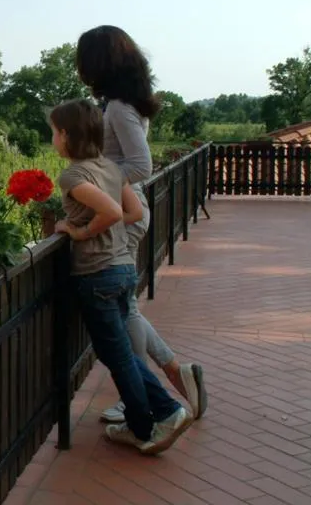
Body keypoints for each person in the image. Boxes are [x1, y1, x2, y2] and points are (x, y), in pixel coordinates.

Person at [75, 26, 207, 425]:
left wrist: (94, 177)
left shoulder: (116, 107)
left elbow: (140, 165)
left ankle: (137, 397)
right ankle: (170, 373)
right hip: (130, 212)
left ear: (98, 62)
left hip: (126, 216)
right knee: (127, 307)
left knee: (123, 311)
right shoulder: (123, 103)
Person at [50, 99, 192, 453]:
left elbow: (113, 211)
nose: (52, 139)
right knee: (119, 353)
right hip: (124, 268)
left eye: (53, 132)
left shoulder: (72, 175)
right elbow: (132, 211)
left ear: (66, 136)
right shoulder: (111, 168)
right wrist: (95, 221)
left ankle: (158, 416)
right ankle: (144, 420)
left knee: (119, 356)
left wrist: (79, 231)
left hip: (96, 273)